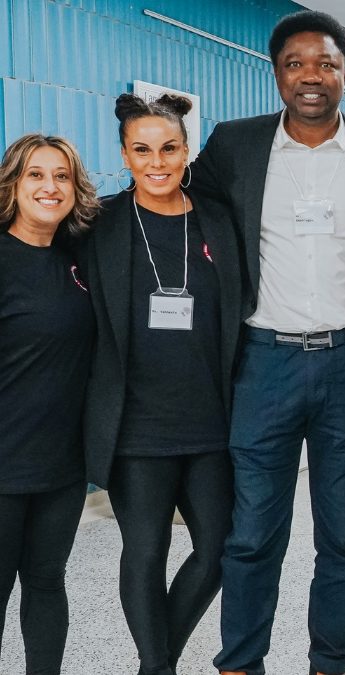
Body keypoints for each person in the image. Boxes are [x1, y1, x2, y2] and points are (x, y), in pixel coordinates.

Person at [187, 10, 345, 675]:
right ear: (276, 72)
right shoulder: (233, 145)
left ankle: (330, 661)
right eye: (296, 63)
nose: (311, 76)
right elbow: (184, 212)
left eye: (325, 63)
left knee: (344, 536)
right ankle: (241, 660)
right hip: (262, 362)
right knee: (251, 533)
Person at [81, 93, 242, 675]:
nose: (157, 162)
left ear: (186, 150)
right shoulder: (99, 225)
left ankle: (158, 659)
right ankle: (158, 665)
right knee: (145, 552)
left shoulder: (220, 222)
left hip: (211, 425)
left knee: (221, 549)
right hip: (134, 427)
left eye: (169, 148)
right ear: (124, 155)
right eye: (142, 149)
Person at [0, 133, 97, 675]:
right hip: (3, 465)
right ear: (13, 183)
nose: (49, 186)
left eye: (61, 176)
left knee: (45, 583)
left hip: (61, 467)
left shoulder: (76, 258)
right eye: (35, 174)